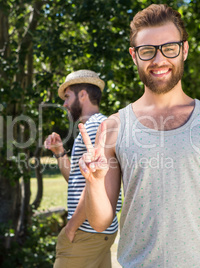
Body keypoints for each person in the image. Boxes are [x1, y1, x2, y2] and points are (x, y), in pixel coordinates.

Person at [78, 4, 200, 267]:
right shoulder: (114, 127)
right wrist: (94, 183)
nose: (159, 60)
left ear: (184, 50)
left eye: (169, 48)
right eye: (147, 51)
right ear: (134, 56)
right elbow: (100, 221)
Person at [45, 70, 121, 268]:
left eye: (67, 96)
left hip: (86, 232)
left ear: (83, 95)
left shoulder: (97, 127)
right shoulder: (92, 127)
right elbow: (78, 180)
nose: (64, 104)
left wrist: (71, 227)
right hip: (98, 232)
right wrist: (60, 152)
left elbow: (97, 184)